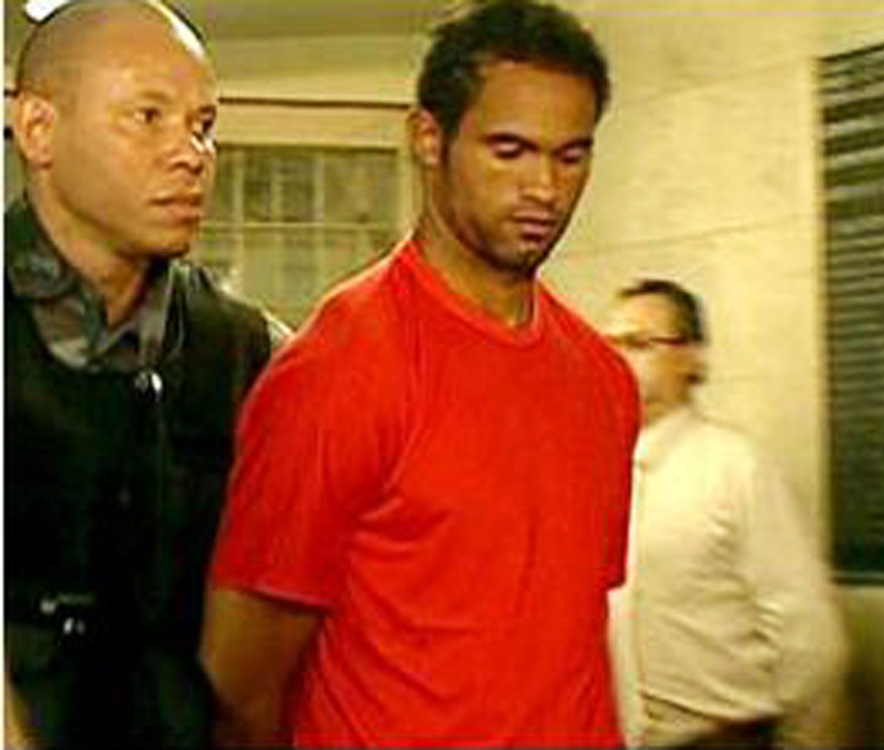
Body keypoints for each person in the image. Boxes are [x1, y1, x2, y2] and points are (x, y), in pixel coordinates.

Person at [199, 0, 640, 746]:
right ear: (428, 138)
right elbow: (242, 674)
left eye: (571, 156)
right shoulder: (340, 367)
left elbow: (571, 637)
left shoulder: (604, 380)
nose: (544, 188)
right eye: (509, 151)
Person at [4, 2, 280, 746]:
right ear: (37, 128)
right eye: (147, 117)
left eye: (203, 126)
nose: (190, 154)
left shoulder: (243, 350)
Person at [605, 279, 849, 749]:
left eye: (639, 343)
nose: (617, 358)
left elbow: (809, 636)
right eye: (610, 344)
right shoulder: (594, 470)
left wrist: (793, 742)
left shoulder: (734, 467)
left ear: (692, 358)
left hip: (723, 738)